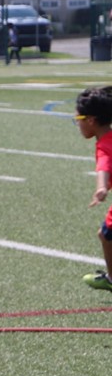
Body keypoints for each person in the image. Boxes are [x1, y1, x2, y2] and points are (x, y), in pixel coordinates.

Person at [76, 87, 112, 292]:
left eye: (78, 118)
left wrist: (101, 188)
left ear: (90, 120)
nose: (77, 124)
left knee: (106, 235)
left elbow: (104, 166)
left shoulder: (103, 146)